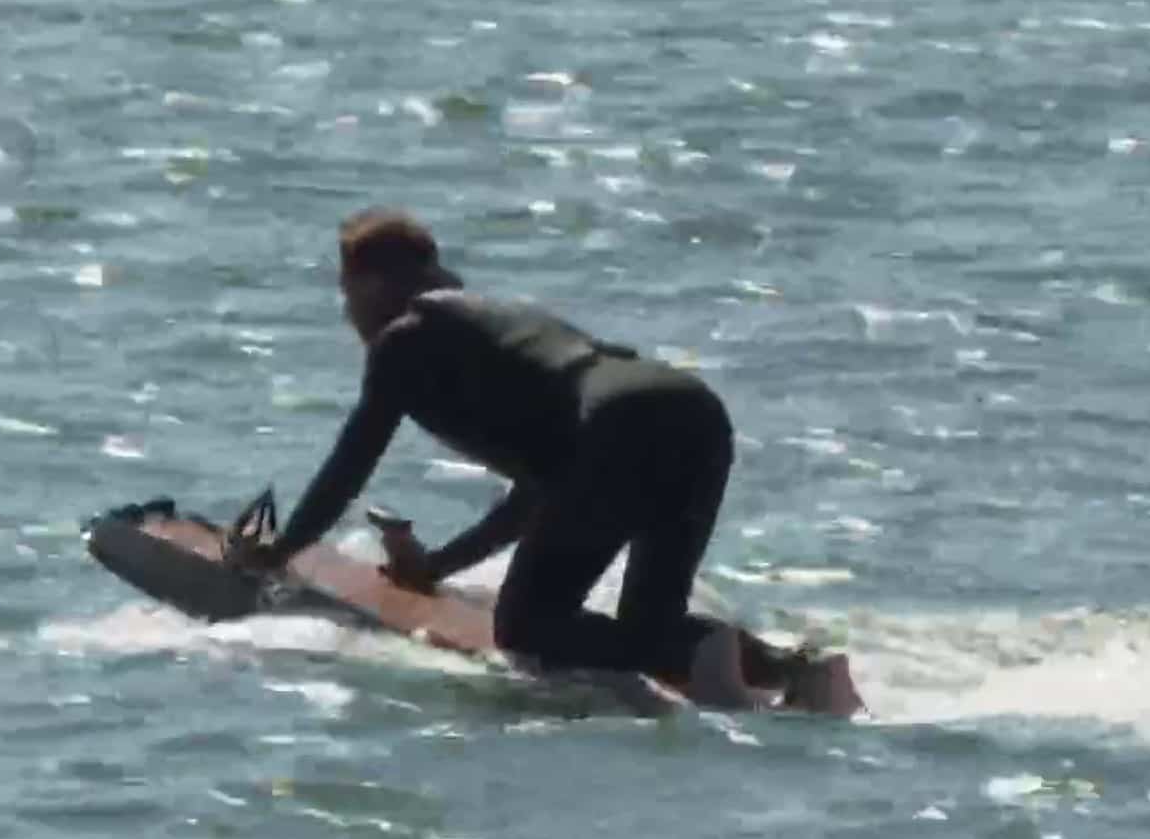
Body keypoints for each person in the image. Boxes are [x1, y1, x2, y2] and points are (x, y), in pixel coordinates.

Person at [231, 207, 852, 710]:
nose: (347, 314)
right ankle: (797, 671)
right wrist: (440, 567)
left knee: (526, 627)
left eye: (346, 295)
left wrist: (277, 553)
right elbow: (541, 493)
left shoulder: (406, 338)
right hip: (690, 411)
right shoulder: (493, 329)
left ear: (368, 283)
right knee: (648, 625)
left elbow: (351, 463)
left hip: (619, 425)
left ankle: (707, 653)